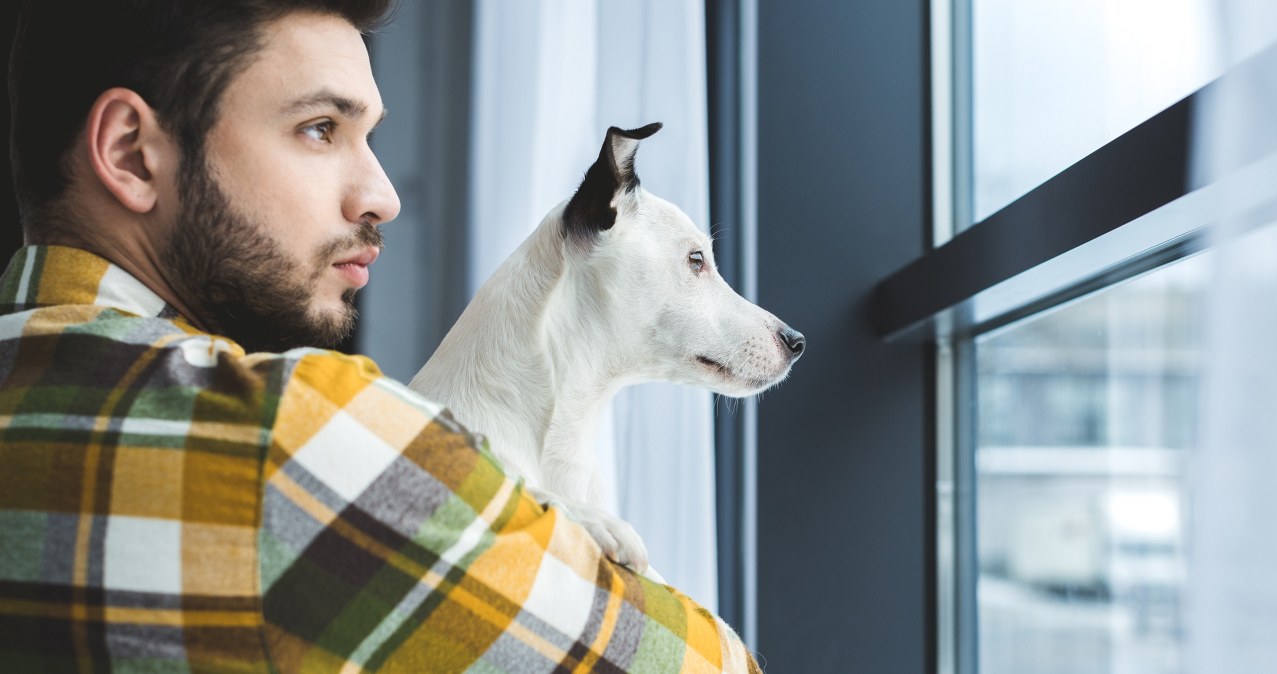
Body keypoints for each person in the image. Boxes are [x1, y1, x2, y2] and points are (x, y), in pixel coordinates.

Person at [0, 1, 761, 671]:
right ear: (133, 153)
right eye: (320, 129)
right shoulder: (292, 436)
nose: (384, 197)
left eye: (368, 137)